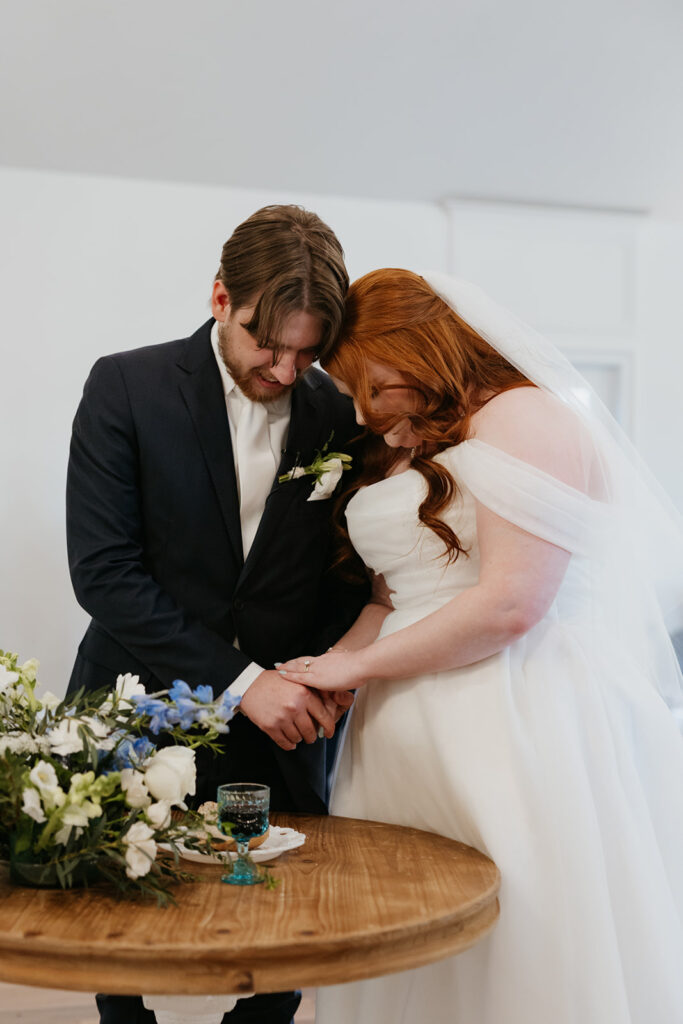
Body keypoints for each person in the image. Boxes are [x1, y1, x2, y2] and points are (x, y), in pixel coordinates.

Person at [279, 269, 683, 1024]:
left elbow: (510, 603)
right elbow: (390, 600)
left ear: (418, 347)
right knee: (407, 928)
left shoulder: (525, 415)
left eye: (372, 384)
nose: (364, 411)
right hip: (402, 726)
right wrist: (327, 671)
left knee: (520, 923)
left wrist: (359, 665)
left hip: (513, 708)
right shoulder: (405, 442)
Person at [65, 205, 367, 1024]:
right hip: (138, 698)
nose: (285, 369)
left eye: (307, 352)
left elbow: (345, 571)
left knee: (284, 930)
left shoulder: (336, 413)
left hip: (284, 722)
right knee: (118, 927)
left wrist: (318, 675)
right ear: (220, 297)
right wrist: (241, 682)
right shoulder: (125, 385)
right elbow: (104, 572)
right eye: (267, 344)